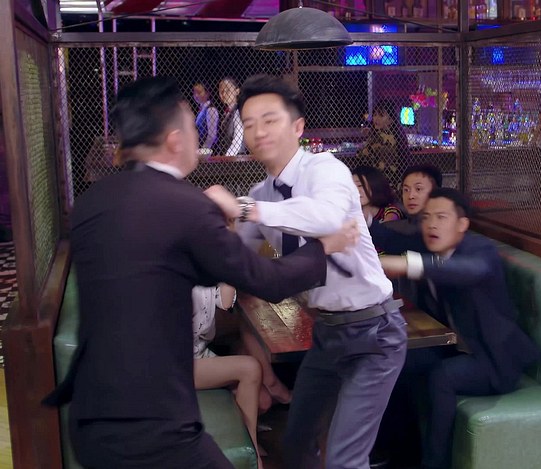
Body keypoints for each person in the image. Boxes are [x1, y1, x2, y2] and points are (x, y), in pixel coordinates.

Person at [43, 76, 357, 468]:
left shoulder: (93, 202)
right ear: (175, 140)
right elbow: (269, 282)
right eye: (193, 128)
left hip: (89, 414)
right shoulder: (186, 205)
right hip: (153, 423)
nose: (197, 138)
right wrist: (324, 247)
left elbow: (167, 269)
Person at [229, 74, 407, 469]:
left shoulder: (324, 169)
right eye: (249, 123)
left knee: (344, 461)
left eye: (269, 120)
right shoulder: (261, 195)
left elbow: (326, 217)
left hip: (374, 332)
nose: (258, 132)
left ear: (298, 127)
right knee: (295, 445)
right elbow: (233, 258)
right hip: (327, 333)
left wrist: (246, 209)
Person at [380, 188, 541, 469]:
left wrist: (408, 264)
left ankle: (434, 464)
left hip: (494, 359)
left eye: (441, 217)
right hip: (452, 346)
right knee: (393, 360)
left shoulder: (480, 252)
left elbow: (468, 271)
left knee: (442, 376)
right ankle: (398, 454)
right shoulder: (428, 246)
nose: (432, 224)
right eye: (427, 217)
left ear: (462, 224)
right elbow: (386, 237)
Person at [191, 283, 266, 469]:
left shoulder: (205, 273)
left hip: (199, 353)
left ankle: (244, 449)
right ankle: (254, 457)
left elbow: (225, 303)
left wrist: (225, 270)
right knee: (250, 368)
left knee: (263, 400)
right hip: (175, 364)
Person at [368, 164, 442, 256]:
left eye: (418, 189)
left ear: (436, 192)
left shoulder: (442, 230)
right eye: (406, 190)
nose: (410, 196)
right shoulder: (394, 226)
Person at [357, 100, 410, 181]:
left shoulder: (385, 137)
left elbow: (362, 154)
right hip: (392, 177)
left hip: (381, 179)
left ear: (391, 120)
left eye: (381, 115)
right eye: (375, 115)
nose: (376, 118)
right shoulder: (396, 134)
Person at [214, 77, 246, 156]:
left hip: (236, 157)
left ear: (237, 91)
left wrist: (226, 158)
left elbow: (237, 141)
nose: (224, 94)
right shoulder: (225, 113)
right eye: (221, 91)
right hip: (227, 157)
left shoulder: (238, 111)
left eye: (228, 90)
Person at [193, 83, 219, 151]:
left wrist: (204, 150)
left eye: (199, 92)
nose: (196, 95)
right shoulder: (202, 110)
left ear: (207, 93)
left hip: (209, 150)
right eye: (194, 93)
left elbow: (212, 135)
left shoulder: (211, 109)